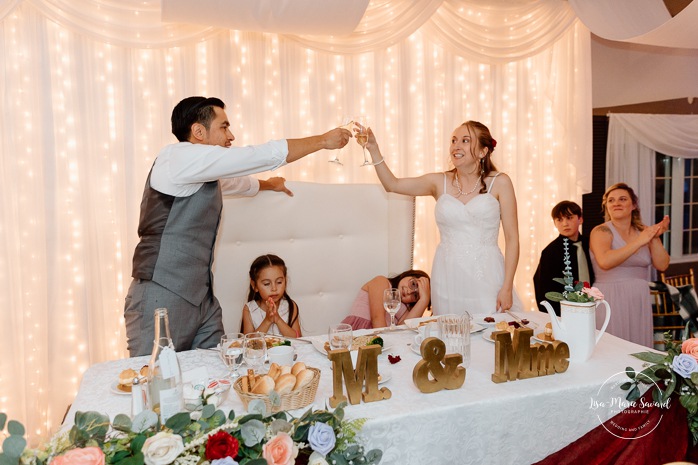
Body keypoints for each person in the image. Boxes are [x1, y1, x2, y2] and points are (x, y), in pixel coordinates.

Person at [124, 96, 350, 356]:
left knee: (219, 373)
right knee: (155, 384)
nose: (230, 136)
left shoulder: (202, 172)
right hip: (161, 296)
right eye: (224, 127)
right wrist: (322, 141)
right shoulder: (176, 158)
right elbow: (257, 156)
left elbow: (236, 183)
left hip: (203, 300)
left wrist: (269, 185)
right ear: (198, 132)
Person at [360, 120, 522, 315]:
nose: (456, 146)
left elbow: (512, 240)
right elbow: (392, 184)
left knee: (492, 333)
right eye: (453, 140)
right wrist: (373, 149)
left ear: (482, 151)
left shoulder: (501, 182)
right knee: (451, 336)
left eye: (465, 140)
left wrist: (506, 287)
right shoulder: (438, 182)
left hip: (487, 275)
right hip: (447, 275)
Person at [589, 182, 670, 347]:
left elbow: (662, 265)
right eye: (611, 200)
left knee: (637, 348)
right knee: (611, 348)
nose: (616, 203)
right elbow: (605, 262)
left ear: (633, 205)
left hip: (639, 298)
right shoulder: (601, 231)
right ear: (606, 206)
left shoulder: (645, 233)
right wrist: (640, 241)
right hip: (610, 296)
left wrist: (653, 237)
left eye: (622, 199)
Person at [533, 201, 595, 316]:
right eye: (559, 220)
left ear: (580, 219)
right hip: (565, 311)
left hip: (594, 306)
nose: (565, 223)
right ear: (555, 223)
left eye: (569, 218)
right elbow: (542, 286)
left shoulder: (592, 243)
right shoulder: (550, 252)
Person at [341, 270, 431, 330]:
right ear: (408, 275)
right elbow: (377, 320)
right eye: (413, 284)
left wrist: (424, 300)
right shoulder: (381, 282)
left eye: (415, 295)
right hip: (361, 331)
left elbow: (403, 332)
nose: (409, 292)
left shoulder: (404, 309)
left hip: (381, 337)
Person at [241, 254, 302, 337]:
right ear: (254, 285)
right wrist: (267, 320)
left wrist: (277, 319)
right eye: (267, 284)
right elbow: (248, 342)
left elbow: (298, 339)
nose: (274, 288)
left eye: (279, 282)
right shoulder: (249, 309)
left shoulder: (290, 306)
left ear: (285, 280)